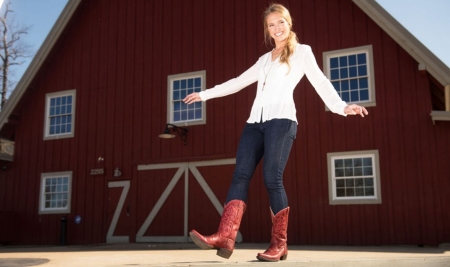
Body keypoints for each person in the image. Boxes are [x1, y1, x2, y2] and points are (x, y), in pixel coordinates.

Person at [183, 3, 368, 262]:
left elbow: (321, 82)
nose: (276, 28)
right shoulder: (264, 60)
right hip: (254, 124)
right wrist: (204, 94)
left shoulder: (302, 52)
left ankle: (279, 244)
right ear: (267, 31)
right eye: (271, 25)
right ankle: (226, 236)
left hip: (281, 122)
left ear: (289, 23)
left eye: (280, 22)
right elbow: (237, 82)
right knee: (240, 175)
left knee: (272, 178)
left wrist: (341, 106)